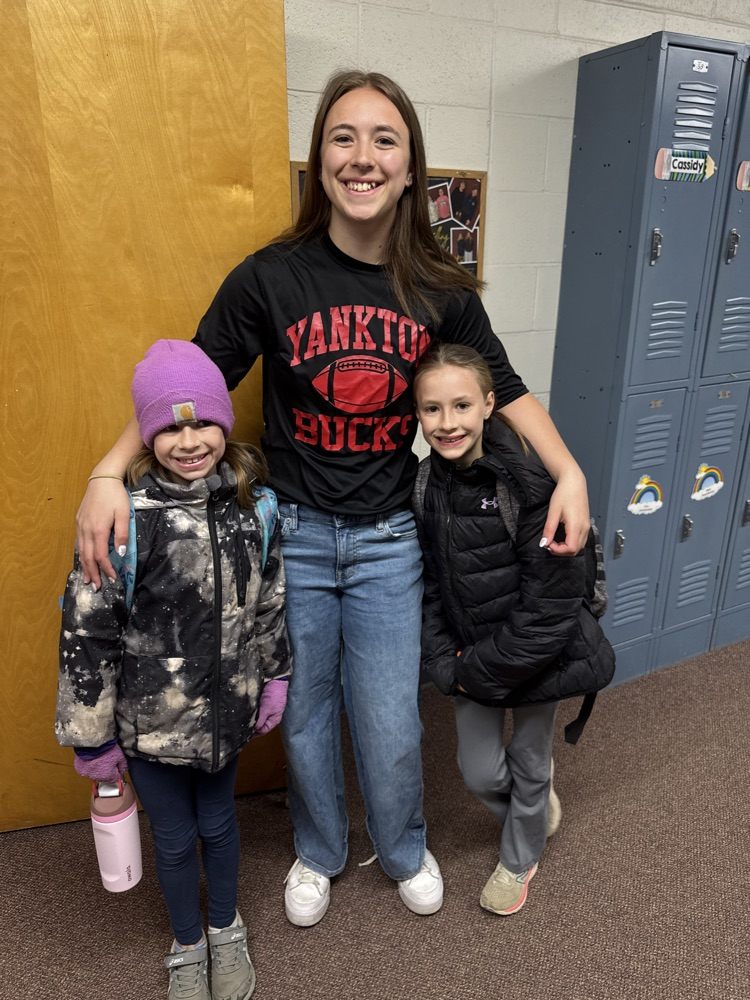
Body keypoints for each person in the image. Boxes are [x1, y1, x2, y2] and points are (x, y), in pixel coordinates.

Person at [74, 70, 590, 928]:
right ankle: (319, 850)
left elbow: (506, 386)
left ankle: (400, 845)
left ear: (410, 164)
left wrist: (568, 470)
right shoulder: (269, 277)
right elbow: (187, 387)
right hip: (296, 536)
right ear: (319, 161)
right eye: (342, 137)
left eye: (384, 139)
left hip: (390, 537)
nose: (363, 156)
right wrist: (106, 473)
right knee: (306, 717)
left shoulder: (439, 288)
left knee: (390, 719)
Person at [57, 340, 291, 1000]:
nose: (189, 441)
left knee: (219, 825)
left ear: (226, 421)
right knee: (174, 836)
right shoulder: (123, 518)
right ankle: (186, 941)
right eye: (169, 427)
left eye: (204, 422)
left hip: (226, 714)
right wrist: (93, 739)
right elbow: (85, 630)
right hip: (150, 725)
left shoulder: (257, 507)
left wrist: (277, 675)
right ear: (148, 434)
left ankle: (225, 927)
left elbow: (270, 598)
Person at [412, 343, 612, 916]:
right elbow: (428, 585)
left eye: (460, 405)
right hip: (471, 654)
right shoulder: (425, 486)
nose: (447, 423)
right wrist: (445, 663)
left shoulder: (525, 485)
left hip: (538, 654)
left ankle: (519, 858)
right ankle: (531, 811)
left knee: (529, 759)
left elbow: (551, 602)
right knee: (477, 769)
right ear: (418, 416)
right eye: (431, 409)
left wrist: (474, 673)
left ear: (489, 405)